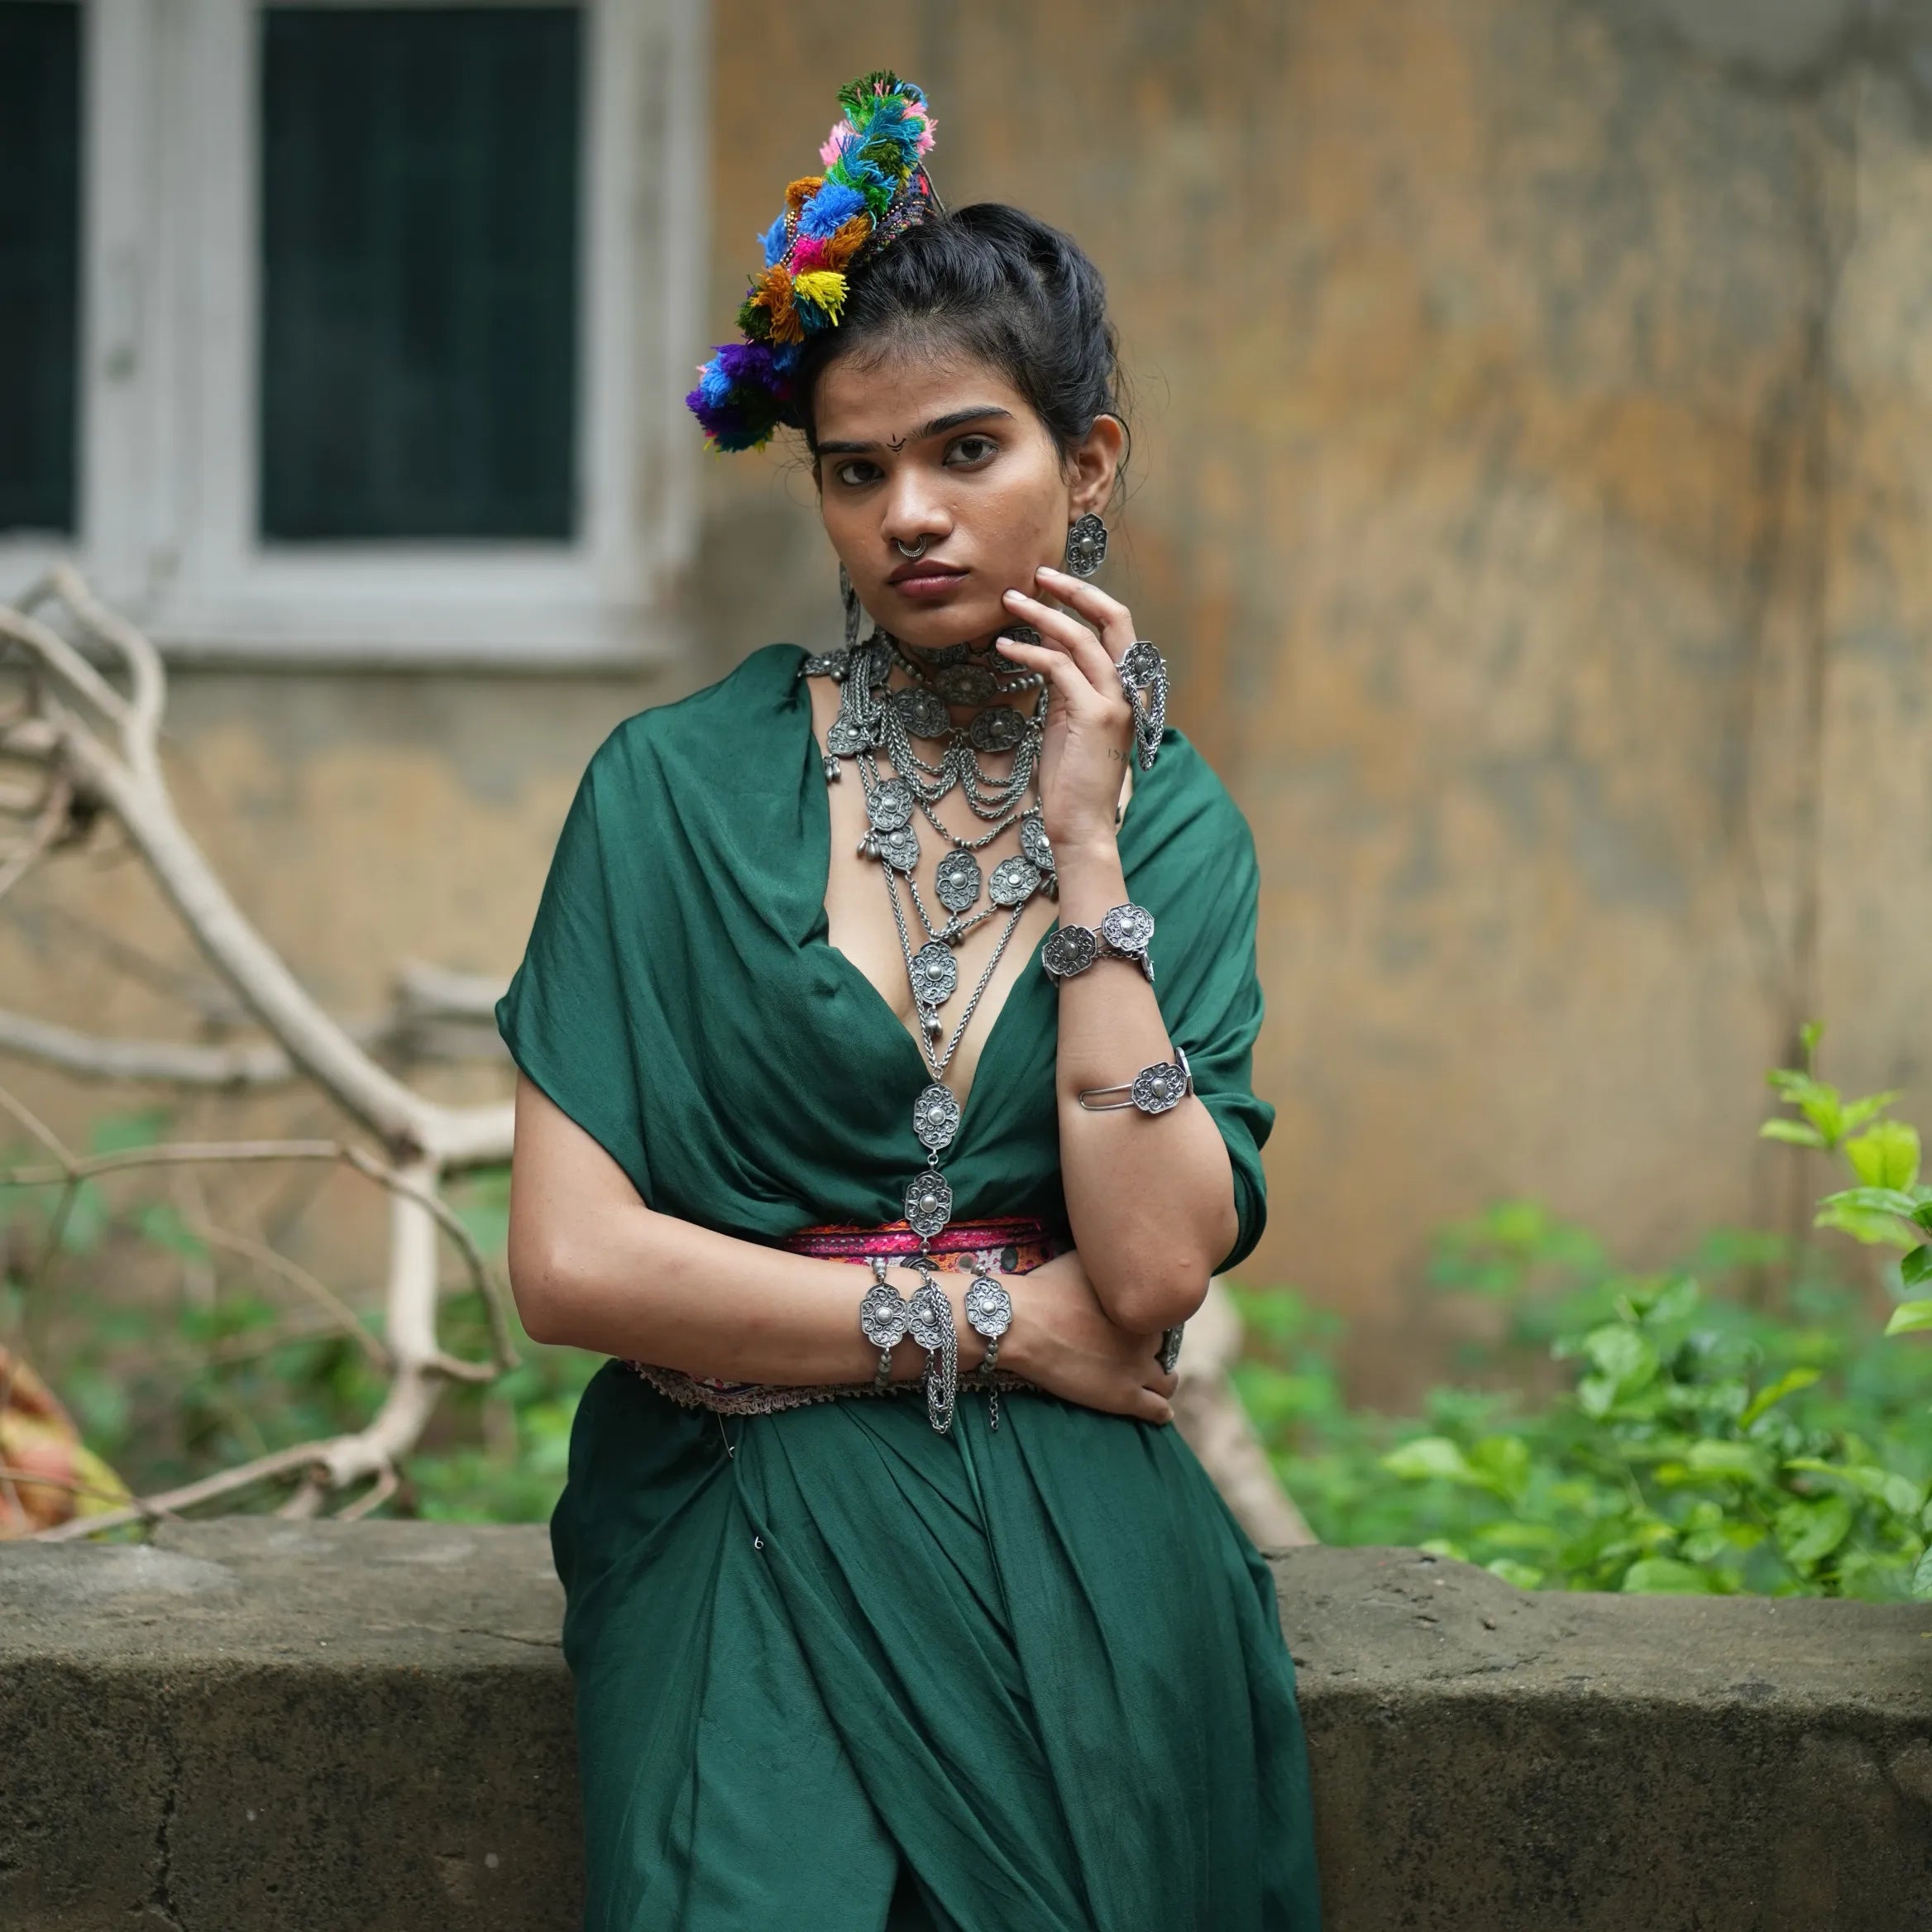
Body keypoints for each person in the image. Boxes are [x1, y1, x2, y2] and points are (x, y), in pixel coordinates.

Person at [496, 70, 1322, 1932]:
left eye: (966, 451)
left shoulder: (1177, 830)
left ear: (1087, 465)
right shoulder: (671, 790)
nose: (908, 517)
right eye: (854, 471)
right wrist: (994, 1321)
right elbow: (571, 1266)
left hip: (1077, 1535)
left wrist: (1088, 854)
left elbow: (1151, 1275)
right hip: (730, 1495)